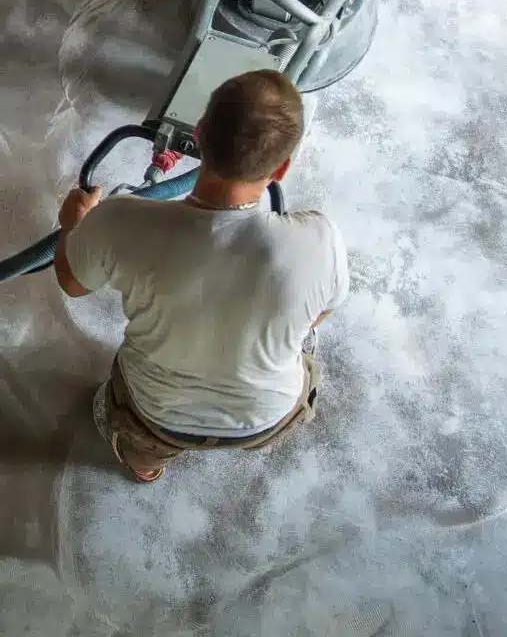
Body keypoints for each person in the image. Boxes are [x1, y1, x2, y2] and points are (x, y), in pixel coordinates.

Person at [54, 69, 349, 482]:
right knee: (303, 327)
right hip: (266, 418)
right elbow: (320, 315)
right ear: (282, 169)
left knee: (142, 443)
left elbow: (72, 282)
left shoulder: (119, 222)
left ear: (199, 133)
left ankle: (147, 467)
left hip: (157, 414)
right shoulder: (319, 239)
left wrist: (74, 225)